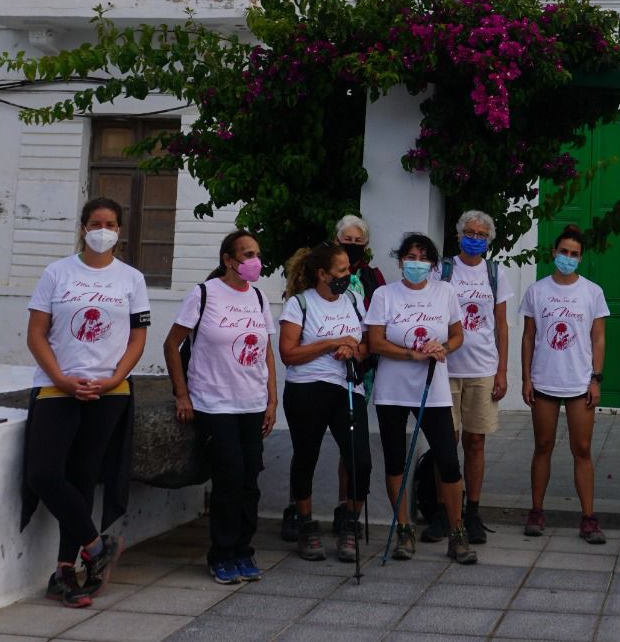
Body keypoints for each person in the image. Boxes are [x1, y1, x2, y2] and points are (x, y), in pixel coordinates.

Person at [19, 197, 146, 608]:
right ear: (82, 227)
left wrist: (114, 378)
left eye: (110, 223)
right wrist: (60, 378)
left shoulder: (131, 279)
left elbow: (138, 337)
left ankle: (65, 574)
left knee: (82, 479)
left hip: (109, 393)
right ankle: (95, 546)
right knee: (43, 473)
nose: (102, 229)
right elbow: (37, 333)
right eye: (95, 222)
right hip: (58, 387)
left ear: (119, 230)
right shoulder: (57, 273)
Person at [163, 231, 278, 585]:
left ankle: (244, 551)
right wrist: (182, 394)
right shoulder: (204, 294)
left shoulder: (259, 297)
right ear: (229, 260)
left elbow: (266, 351)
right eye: (247, 254)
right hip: (215, 402)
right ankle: (222, 554)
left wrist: (272, 400)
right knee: (228, 477)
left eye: (257, 253)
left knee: (250, 480)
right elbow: (172, 344)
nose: (254, 260)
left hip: (252, 402)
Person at [364, 232, 476, 564]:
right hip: (393, 390)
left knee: (448, 459)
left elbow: (457, 334)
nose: (416, 264)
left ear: (432, 264)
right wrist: (408, 354)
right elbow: (375, 342)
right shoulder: (385, 295)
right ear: (400, 262)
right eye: (410, 258)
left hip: (434, 388)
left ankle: (457, 532)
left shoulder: (445, 292)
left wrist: (443, 348)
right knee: (396, 459)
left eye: (423, 258)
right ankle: (404, 529)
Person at [283, 214, 387, 544]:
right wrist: (330, 344)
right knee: (306, 456)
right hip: (307, 388)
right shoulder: (300, 304)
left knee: (360, 459)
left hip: (347, 387)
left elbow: (369, 343)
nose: (347, 275)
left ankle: (349, 519)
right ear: (322, 274)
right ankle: (305, 521)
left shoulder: (354, 301)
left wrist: (355, 350)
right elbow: (289, 354)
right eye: (341, 272)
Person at [519, 224, 610, 543]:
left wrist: (595, 379)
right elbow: (528, 337)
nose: (568, 258)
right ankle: (536, 511)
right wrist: (526, 378)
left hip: (579, 382)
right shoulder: (537, 290)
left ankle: (588, 517)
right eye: (563, 252)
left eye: (574, 254)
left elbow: (598, 338)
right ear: (553, 253)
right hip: (544, 380)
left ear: (581, 257)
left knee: (582, 449)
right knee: (543, 446)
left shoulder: (592, 292)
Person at [437, 210, 513, 544]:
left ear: (489, 239)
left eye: (481, 234)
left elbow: (501, 325)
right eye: (469, 232)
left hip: (482, 367)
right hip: (447, 368)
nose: (475, 238)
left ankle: (473, 512)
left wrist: (502, 371)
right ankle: (444, 512)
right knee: (447, 443)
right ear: (458, 234)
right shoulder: (444, 270)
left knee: (476, 442)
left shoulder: (494, 273)